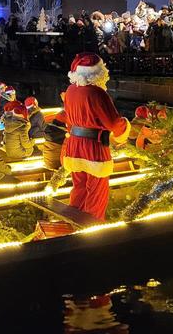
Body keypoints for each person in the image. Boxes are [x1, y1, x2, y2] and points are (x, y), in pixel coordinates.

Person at [61, 53, 130, 220]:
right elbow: (114, 123)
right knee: (97, 193)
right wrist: (125, 129)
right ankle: (93, 231)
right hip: (94, 148)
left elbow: (68, 120)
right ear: (98, 72)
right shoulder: (97, 93)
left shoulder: (70, 91)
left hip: (75, 146)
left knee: (79, 188)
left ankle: (72, 223)